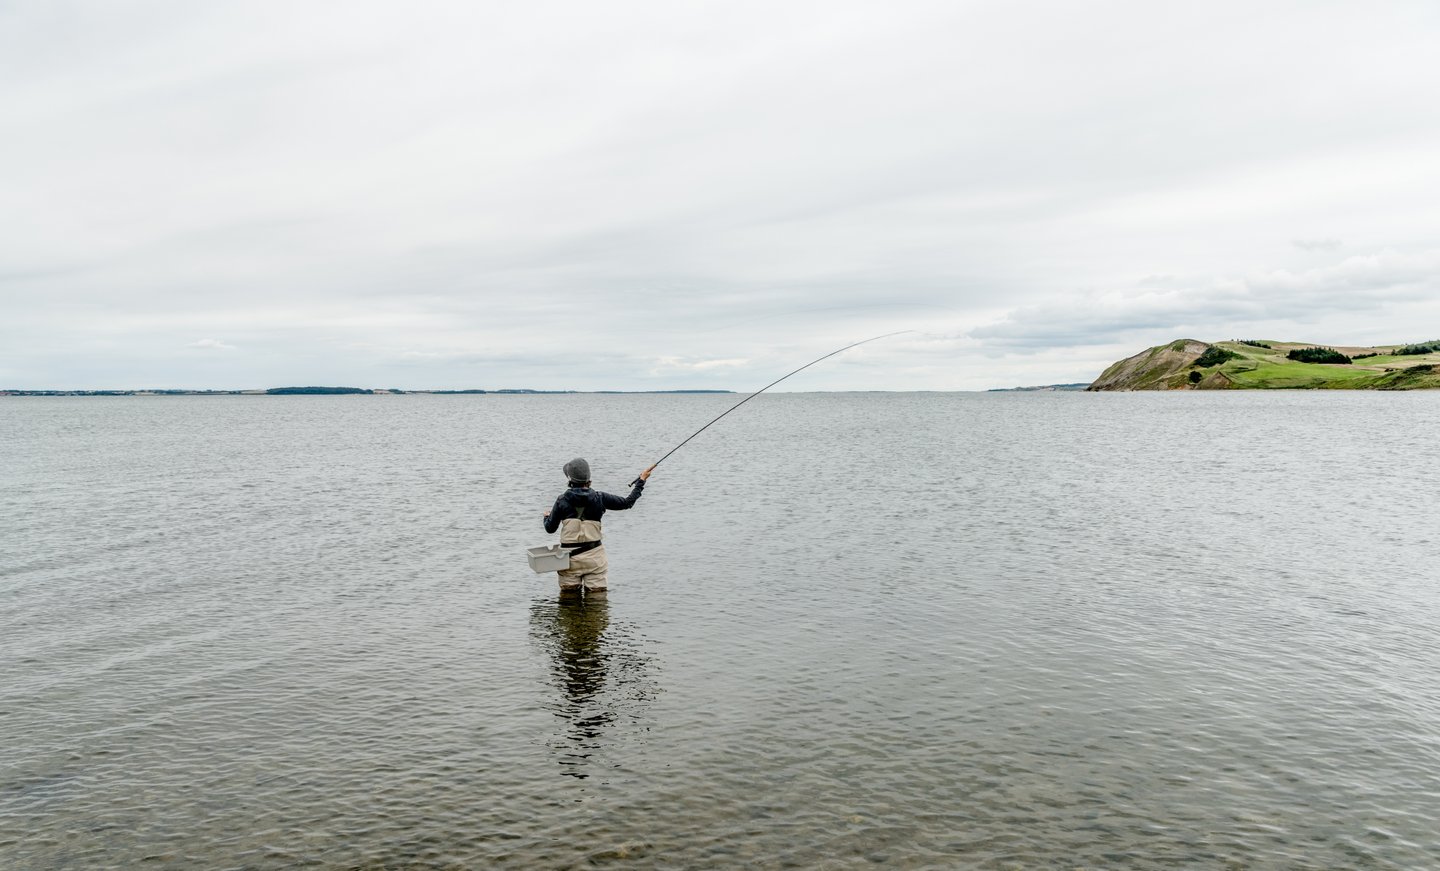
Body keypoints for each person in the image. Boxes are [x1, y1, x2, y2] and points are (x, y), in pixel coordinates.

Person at [543, 458, 654, 595]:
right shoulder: (600, 497)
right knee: (597, 605)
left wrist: (546, 517)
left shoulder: (562, 500)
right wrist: (641, 481)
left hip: (569, 561)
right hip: (594, 559)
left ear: (570, 480)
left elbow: (550, 528)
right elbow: (627, 503)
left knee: (568, 604)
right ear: (588, 479)